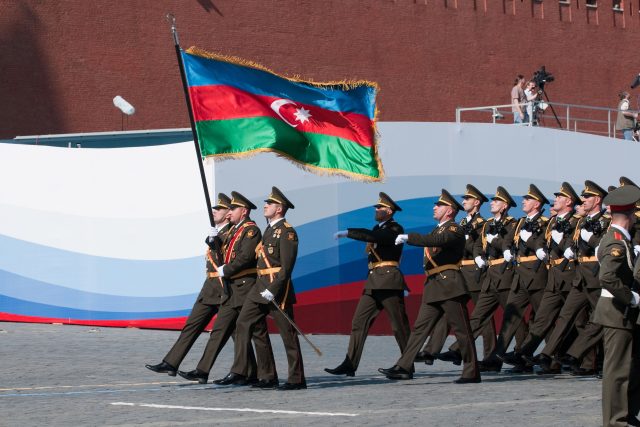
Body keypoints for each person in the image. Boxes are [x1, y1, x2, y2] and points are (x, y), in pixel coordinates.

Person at [379, 189, 480, 384]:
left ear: (449, 210)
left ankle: (471, 371)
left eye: (439, 205)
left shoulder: (454, 229)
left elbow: (437, 241)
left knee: (461, 330)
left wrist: (410, 237)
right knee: (419, 329)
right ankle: (403, 366)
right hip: (433, 285)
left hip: (450, 285)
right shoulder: (437, 229)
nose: (435, 207)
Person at [177, 191, 274, 385]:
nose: (229, 212)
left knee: (256, 331)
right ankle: (204, 370)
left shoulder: (250, 230)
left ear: (243, 211)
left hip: (246, 286)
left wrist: (225, 269)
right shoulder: (234, 230)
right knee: (221, 329)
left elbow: (245, 257)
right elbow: (222, 249)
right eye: (228, 209)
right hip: (232, 287)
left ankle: (266, 375)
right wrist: (212, 239)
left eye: (233, 208)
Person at [437, 186, 526, 372]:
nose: (492, 203)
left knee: (513, 319)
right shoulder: (487, 225)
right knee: (478, 316)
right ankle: (458, 351)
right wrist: (477, 254)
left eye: (496, 201)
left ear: (505, 206)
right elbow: (478, 245)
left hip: (505, 274)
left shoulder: (512, 223)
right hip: (489, 277)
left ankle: (522, 356)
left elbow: (508, 244)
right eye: (492, 200)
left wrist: (493, 241)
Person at [226, 187, 306, 391]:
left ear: (279, 208)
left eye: (269, 204)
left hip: (276, 288)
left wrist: (274, 288)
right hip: (259, 286)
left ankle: (296, 379)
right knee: (243, 323)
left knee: (287, 334)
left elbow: (287, 267)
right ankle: (263, 374)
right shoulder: (269, 229)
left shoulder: (287, 232)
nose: (265, 206)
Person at [145, 193, 233, 377]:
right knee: (192, 326)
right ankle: (171, 362)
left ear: (228, 214)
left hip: (225, 288)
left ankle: (244, 372)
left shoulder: (232, 232)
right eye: (214, 208)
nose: (214, 211)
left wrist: (215, 240)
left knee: (235, 334)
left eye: (219, 209)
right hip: (210, 287)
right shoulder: (217, 231)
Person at [325, 192, 410, 377]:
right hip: (374, 281)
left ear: (389, 211)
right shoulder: (376, 228)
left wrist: (349, 232)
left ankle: (407, 366)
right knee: (358, 322)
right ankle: (350, 363)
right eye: (376, 207)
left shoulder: (395, 228)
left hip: (388, 281)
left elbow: (376, 237)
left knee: (399, 326)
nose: (376, 210)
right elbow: (373, 236)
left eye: (380, 208)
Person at [533, 181, 609, 375]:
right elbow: (573, 244)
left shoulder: (605, 221)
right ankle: (548, 354)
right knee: (566, 316)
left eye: (587, 196)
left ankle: (592, 360)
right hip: (580, 277)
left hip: (596, 276)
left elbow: (602, 246)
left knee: (600, 321)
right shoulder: (582, 221)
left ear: (597, 200)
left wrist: (588, 239)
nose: (582, 200)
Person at [502, 183, 581, 371]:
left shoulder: (575, 221)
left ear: (568, 201)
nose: (555, 199)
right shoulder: (552, 222)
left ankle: (585, 361)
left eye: (560, 197)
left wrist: (558, 242)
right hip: (553, 276)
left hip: (571, 276)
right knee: (543, 318)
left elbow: (572, 246)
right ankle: (525, 353)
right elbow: (541, 243)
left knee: (579, 322)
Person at [417, 184, 495, 365]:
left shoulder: (483, 225)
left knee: (483, 316)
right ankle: (431, 350)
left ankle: (491, 357)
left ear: (476, 202)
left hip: (475, 272)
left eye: (467, 199)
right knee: (448, 314)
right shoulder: (459, 225)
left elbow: (480, 247)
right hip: (460, 272)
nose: (464, 201)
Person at [593, 184, 640, 427]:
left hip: (619, 312)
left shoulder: (619, 238)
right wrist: (630, 297)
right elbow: (607, 277)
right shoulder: (615, 242)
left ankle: (626, 415)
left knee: (628, 368)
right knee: (617, 370)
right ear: (631, 216)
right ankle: (614, 421)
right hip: (616, 311)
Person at [490, 184, 549, 371]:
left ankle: (552, 358)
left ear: (537, 204)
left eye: (528, 199)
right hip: (520, 276)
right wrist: (505, 248)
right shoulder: (521, 222)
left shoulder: (544, 222)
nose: (523, 201)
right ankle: (498, 354)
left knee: (543, 318)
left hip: (536, 275)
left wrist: (530, 240)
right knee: (511, 313)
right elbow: (508, 240)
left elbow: (541, 245)